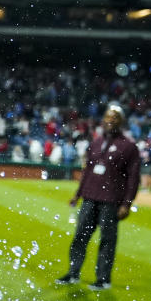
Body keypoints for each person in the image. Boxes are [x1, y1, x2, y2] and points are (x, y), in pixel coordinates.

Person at [57, 105, 140, 290]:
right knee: (80, 236)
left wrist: (126, 204)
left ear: (122, 121)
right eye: (108, 117)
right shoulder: (95, 143)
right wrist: (77, 195)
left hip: (111, 200)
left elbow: (134, 178)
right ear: (103, 120)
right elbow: (87, 171)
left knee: (107, 240)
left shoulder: (129, 147)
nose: (110, 120)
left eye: (115, 117)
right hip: (90, 197)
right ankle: (73, 273)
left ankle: (103, 279)